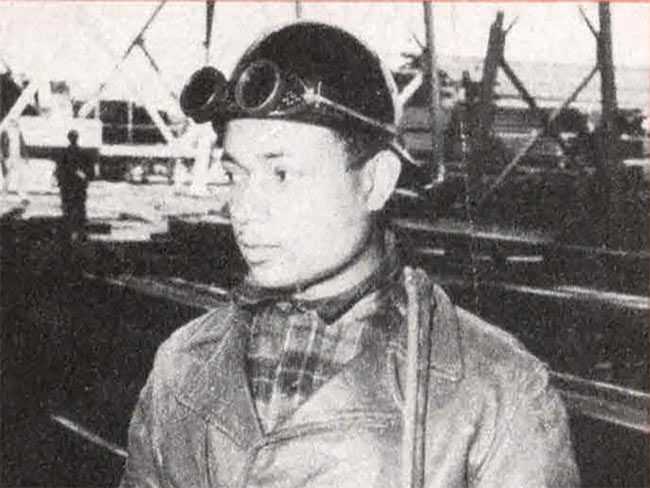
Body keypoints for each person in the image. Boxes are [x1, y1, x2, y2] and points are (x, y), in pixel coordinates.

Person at [121, 22, 578, 488]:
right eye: (236, 175)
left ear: (375, 181)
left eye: (280, 174)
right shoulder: (179, 366)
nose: (242, 208)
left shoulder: (498, 393)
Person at [55, 130, 92, 242]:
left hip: (67, 186)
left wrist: (61, 183)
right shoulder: (83, 153)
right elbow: (88, 171)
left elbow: (59, 171)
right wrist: (85, 180)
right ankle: (80, 233)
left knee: (67, 209)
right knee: (80, 209)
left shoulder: (64, 153)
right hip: (79, 186)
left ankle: (68, 233)